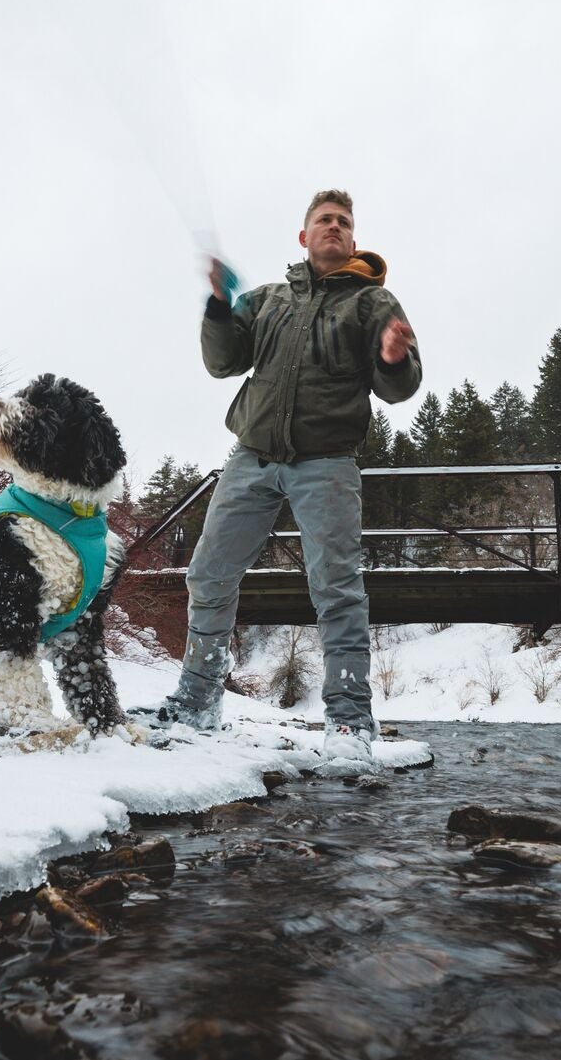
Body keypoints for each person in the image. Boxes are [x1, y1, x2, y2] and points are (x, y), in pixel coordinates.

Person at [153, 189, 421, 762]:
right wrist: (220, 308)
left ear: (353, 239)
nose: (334, 227)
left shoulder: (374, 304)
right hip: (250, 458)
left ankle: (349, 722)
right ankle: (197, 702)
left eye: (343, 222)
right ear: (304, 237)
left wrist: (396, 358)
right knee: (208, 574)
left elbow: (398, 389)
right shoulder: (270, 299)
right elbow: (223, 363)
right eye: (324, 220)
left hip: (327, 465)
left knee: (337, 589)